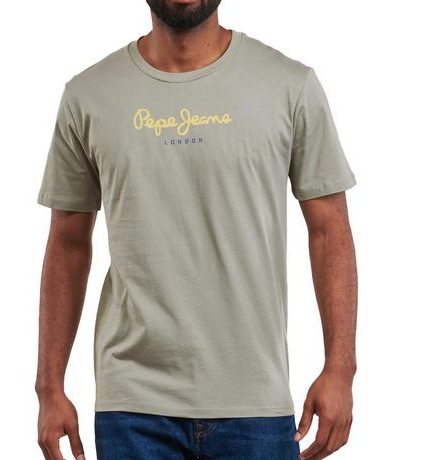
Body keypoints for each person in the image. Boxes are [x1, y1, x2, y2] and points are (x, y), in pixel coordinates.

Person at [35, 1, 358, 459]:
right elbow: (67, 244)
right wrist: (49, 387)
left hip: (254, 401)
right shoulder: (89, 96)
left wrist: (340, 369)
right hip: (132, 406)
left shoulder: (289, 85)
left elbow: (330, 230)